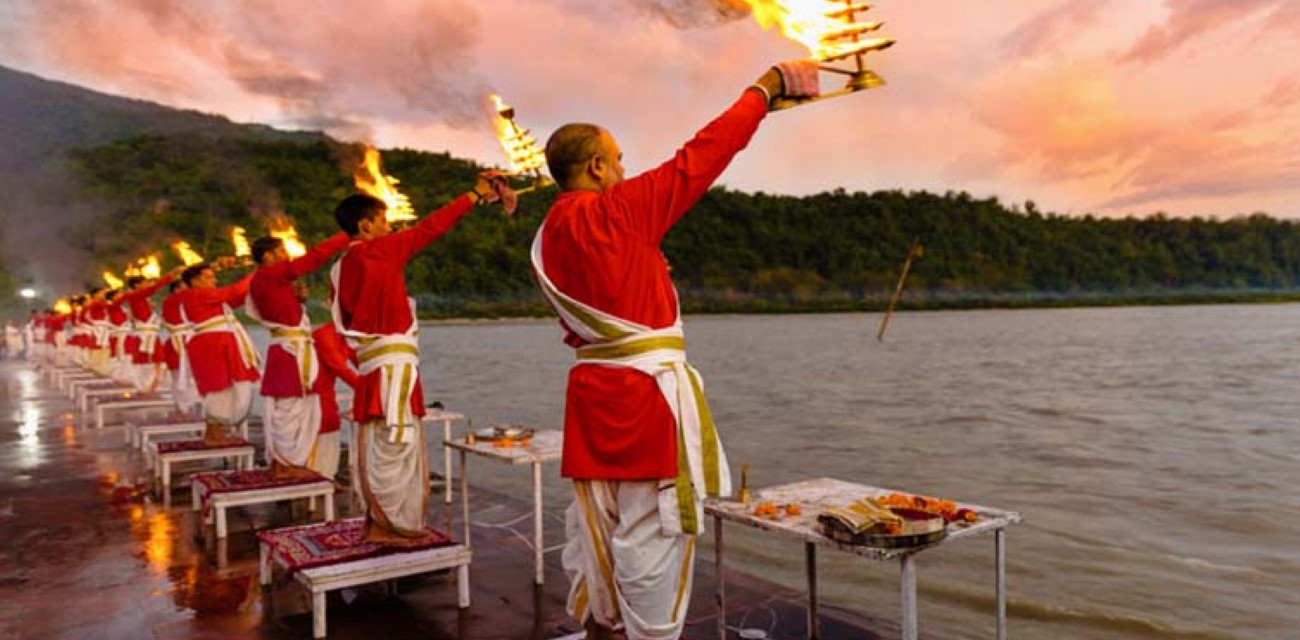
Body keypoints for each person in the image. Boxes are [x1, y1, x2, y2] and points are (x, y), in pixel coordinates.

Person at [530, 61, 819, 640]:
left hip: (590, 400)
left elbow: (600, 312)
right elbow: (705, 153)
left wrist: (648, 271)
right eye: (617, 160)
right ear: (595, 167)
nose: (624, 168)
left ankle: (601, 629)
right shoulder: (621, 210)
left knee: (598, 528)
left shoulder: (547, 235)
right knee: (654, 533)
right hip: (644, 402)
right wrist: (764, 89)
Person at [330, 169, 512, 544]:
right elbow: (431, 228)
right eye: (382, 221)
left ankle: (378, 520)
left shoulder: (341, 266)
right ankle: (389, 527)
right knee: (396, 447)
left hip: (375, 368)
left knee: (378, 445)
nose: (388, 227)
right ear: (365, 226)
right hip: (391, 370)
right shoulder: (376, 252)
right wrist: (474, 196)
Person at [247, 232, 349, 477]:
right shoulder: (270, 274)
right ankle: (285, 465)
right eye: (281, 251)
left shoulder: (267, 279)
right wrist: (346, 235)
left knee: (290, 408)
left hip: (288, 349)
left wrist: (296, 300)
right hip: (289, 352)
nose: (287, 255)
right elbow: (314, 258)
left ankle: (284, 462)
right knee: (290, 409)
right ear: (268, 256)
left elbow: (283, 310)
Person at [179, 259, 259, 444]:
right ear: (195, 281)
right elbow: (234, 291)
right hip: (211, 344)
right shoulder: (196, 294)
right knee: (218, 387)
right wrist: (258, 272)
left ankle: (215, 432)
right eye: (208, 277)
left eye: (213, 277)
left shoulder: (207, 296)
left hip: (218, 342)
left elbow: (236, 297)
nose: (214, 280)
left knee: (225, 386)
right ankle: (212, 434)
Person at [311, 319, 360, 479]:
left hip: (325, 393)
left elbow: (364, 362)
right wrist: (371, 391)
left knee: (331, 426)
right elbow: (341, 369)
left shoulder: (345, 337)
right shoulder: (325, 335)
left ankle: (325, 478)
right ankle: (317, 479)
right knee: (327, 425)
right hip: (312, 395)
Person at [120, 272, 177, 393]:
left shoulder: (142, 298)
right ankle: (146, 387)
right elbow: (153, 288)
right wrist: (170, 275)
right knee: (146, 362)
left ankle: (152, 386)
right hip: (144, 335)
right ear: (136, 285)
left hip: (151, 334)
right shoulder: (135, 295)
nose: (147, 284)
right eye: (144, 283)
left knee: (157, 360)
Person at [160, 279, 199, 415]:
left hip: (187, 339)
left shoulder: (181, 301)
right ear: (175, 290)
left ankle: (187, 405)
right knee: (180, 376)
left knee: (190, 376)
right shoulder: (170, 300)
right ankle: (184, 407)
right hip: (179, 341)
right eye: (183, 288)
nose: (186, 291)